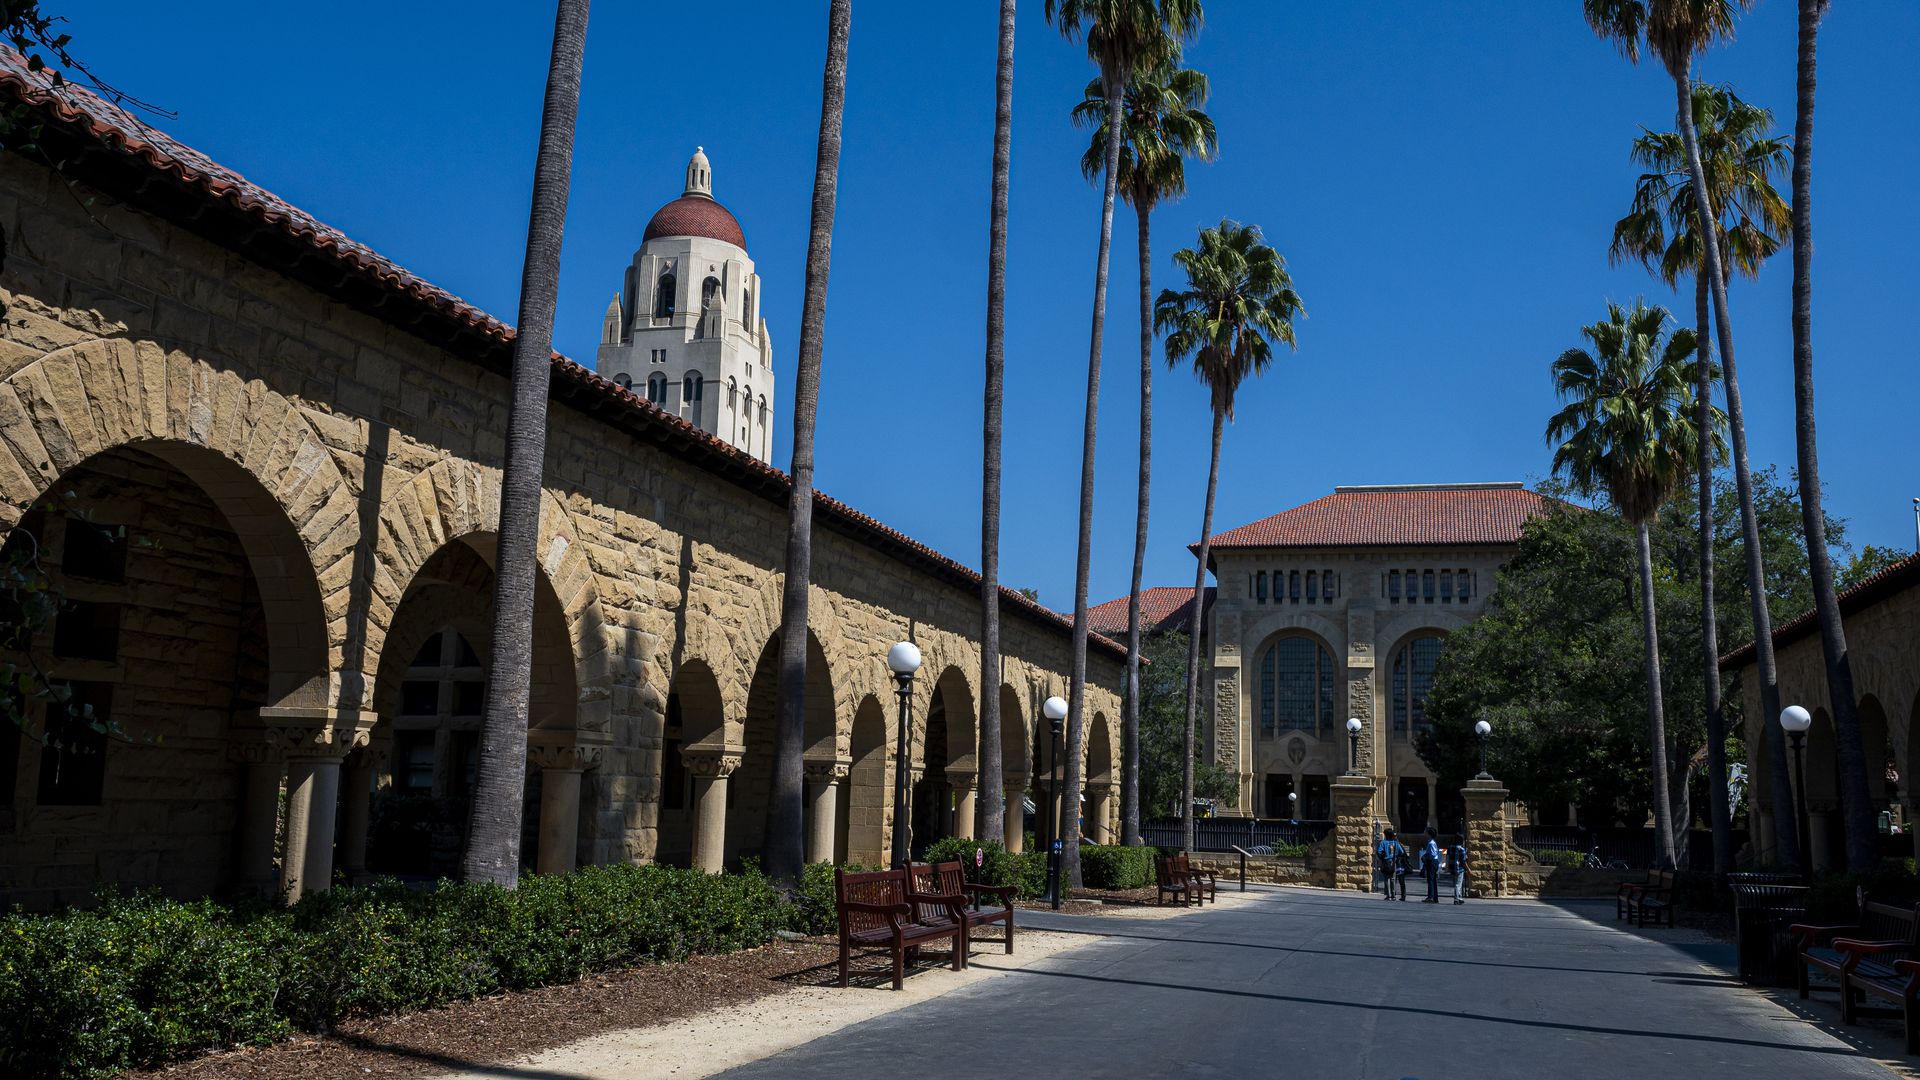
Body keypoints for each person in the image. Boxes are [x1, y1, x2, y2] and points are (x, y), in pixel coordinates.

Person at [1376, 828, 1407, 901]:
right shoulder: (1395, 843)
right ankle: (1393, 895)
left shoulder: (1383, 843)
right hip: (1394, 862)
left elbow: (1379, 852)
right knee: (1393, 879)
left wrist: (1382, 858)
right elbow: (1401, 852)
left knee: (1386, 879)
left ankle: (1388, 895)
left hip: (1385, 862)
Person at [1421, 827, 1441, 903]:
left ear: (1428, 834)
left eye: (1425, 832)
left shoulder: (1431, 843)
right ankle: (1434, 897)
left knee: (1431, 880)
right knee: (1433, 880)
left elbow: (1433, 854)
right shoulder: (1431, 842)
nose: (1424, 833)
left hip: (1432, 862)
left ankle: (1431, 897)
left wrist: (1425, 857)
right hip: (1433, 861)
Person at [1448, 836, 1468, 904]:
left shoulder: (1451, 847)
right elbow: (1463, 861)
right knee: (1458, 884)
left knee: (1456, 883)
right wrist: (1468, 869)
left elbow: (1448, 856)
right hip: (1459, 868)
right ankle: (1456, 898)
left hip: (1452, 867)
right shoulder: (1461, 849)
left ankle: (1459, 897)